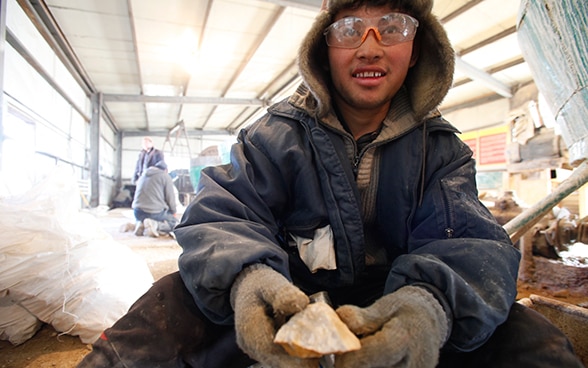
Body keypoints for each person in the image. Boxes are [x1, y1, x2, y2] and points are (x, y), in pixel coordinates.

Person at [78, 0, 583, 367]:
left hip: (396, 304)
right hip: (286, 300)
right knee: (167, 305)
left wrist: (426, 309)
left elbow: (472, 245)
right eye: (349, 28)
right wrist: (250, 282)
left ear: (418, 43)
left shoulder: (443, 152)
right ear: (323, 42)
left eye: (391, 26)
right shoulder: (274, 136)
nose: (369, 47)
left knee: (531, 343)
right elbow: (223, 213)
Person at [132, 160, 178, 237]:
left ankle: (141, 224)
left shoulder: (143, 176)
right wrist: (173, 212)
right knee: (177, 224)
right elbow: (170, 198)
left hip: (137, 212)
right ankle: (155, 225)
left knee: (145, 217)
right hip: (154, 213)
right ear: (166, 170)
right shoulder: (165, 176)